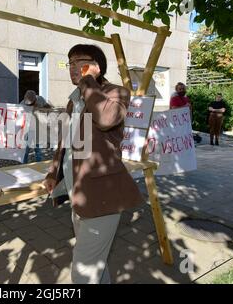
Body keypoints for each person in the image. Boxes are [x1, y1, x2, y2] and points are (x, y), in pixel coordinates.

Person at [42, 44, 143, 284]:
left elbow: (106, 119)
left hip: (103, 197)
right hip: (79, 194)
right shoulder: (73, 101)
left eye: (80, 62)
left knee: (83, 272)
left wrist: (89, 81)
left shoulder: (117, 92)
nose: (73, 68)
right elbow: (64, 144)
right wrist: (52, 173)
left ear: (96, 66)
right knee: (96, 264)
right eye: (70, 63)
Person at [20, 90, 52, 163]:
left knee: (38, 149)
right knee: (25, 150)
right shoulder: (22, 104)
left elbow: (48, 108)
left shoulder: (40, 99)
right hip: (27, 129)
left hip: (38, 129)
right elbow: (20, 116)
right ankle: (23, 165)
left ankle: (39, 164)